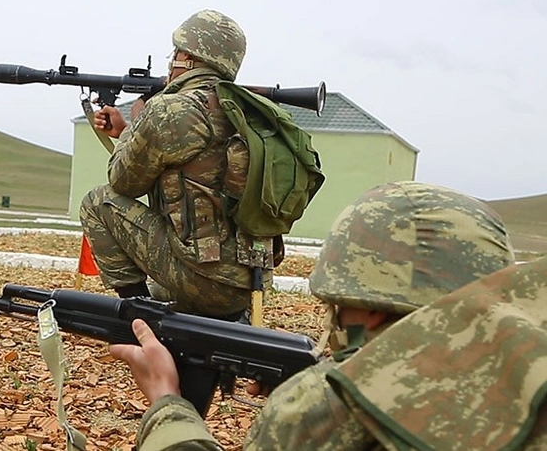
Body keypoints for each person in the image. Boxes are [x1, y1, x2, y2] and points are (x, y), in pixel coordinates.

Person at [109, 181, 518, 450]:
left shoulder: (328, 414)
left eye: (337, 305)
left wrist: (166, 403)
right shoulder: (522, 384)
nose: (333, 319)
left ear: (370, 312)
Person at [80, 9, 268, 319]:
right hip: (249, 283)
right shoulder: (249, 111)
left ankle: (141, 317)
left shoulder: (170, 110)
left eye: (175, 53)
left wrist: (137, 126)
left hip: (202, 278)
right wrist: (128, 130)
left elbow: (123, 181)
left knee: (97, 202)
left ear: (187, 57)